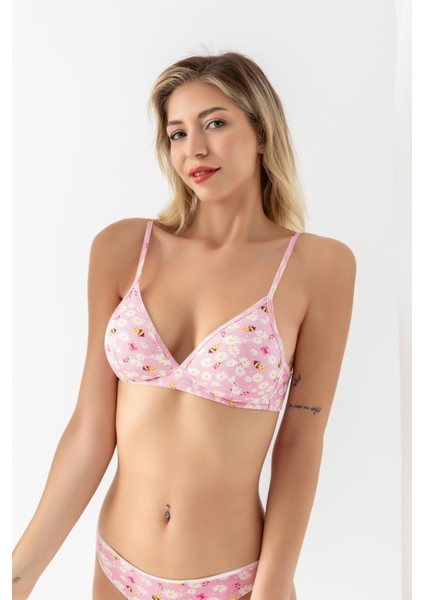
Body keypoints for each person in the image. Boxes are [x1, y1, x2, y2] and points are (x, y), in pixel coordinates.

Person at [12, 51, 356, 600]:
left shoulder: (319, 266)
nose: (193, 148)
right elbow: (90, 430)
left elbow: (301, 443)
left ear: (261, 132)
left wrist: (271, 589)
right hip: (117, 568)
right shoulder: (124, 248)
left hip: (236, 582)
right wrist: (18, 574)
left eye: (214, 123)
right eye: (177, 133)